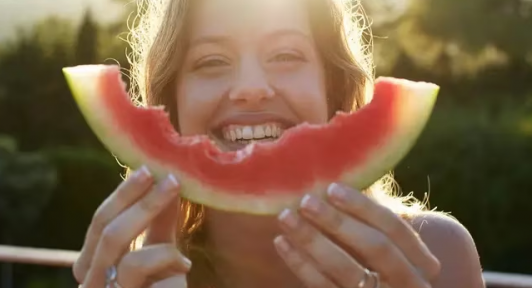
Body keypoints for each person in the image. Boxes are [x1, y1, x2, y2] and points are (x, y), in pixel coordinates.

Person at [73, 0, 484, 287]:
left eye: (286, 54)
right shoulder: (134, 278)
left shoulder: (437, 255)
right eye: (211, 61)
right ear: (172, 100)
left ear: (333, 86)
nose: (251, 88)